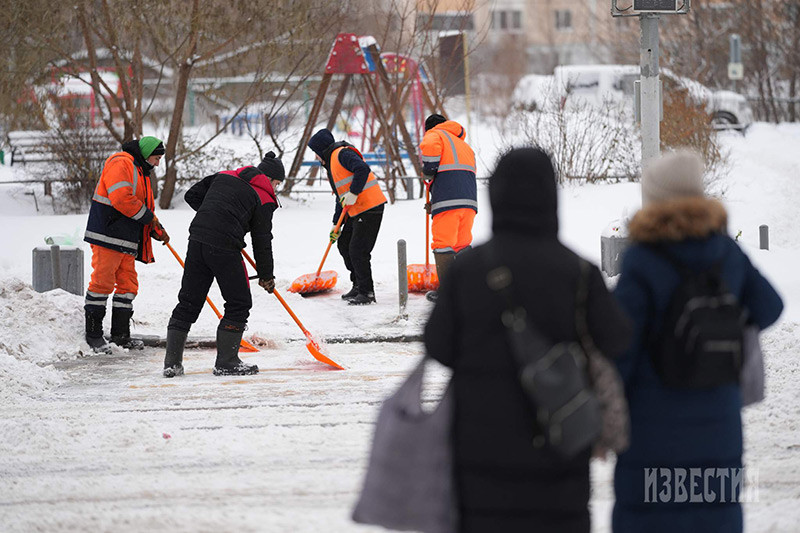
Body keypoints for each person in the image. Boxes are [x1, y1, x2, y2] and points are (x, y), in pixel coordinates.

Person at [424, 148, 632, 533]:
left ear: (495, 196)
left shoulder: (467, 270)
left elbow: (438, 345)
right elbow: (618, 340)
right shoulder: (579, 271)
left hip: (479, 458)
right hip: (559, 454)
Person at [611, 150, 783, 533]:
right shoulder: (727, 252)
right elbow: (771, 306)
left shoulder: (642, 259)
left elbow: (621, 344)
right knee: (713, 518)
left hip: (652, 430)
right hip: (719, 424)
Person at [162, 152, 285, 378]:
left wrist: (214, 214)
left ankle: (172, 363)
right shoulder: (264, 197)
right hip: (224, 246)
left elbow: (192, 195)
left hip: (197, 238)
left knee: (189, 300)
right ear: (269, 179)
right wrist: (266, 275)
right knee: (239, 302)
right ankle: (227, 362)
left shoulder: (225, 175)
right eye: (277, 183)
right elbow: (262, 240)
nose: (276, 188)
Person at [84, 136, 170, 353]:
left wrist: (155, 228)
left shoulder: (141, 171)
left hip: (126, 238)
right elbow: (122, 198)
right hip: (107, 235)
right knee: (102, 282)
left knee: (128, 286)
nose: (158, 163)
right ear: (146, 152)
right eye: (156, 157)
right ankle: (93, 335)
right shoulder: (121, 162)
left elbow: (142, 207)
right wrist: (149, 219)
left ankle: (121, 335)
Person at [307, 128, 387, 305]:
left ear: (321, 150)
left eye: (315, 153)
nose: (316, 158)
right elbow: (341, 198)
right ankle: (358, 285)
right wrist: (336, 225)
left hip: (370, 206)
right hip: (356, 209)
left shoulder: (342, 154)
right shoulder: (332, 164)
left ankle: (367, 292)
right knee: (344, 244)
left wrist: (354, 192)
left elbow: (362, 169)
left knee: (358, 249)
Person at [419, 113, 477, 302]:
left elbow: (430, 156)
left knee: (443, 244)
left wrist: (427, 170)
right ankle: (467, 287)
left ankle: (447, 293)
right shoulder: (463, 145)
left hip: (447, 201)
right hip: (468, 202)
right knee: (462, 243)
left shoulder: (435, 135)